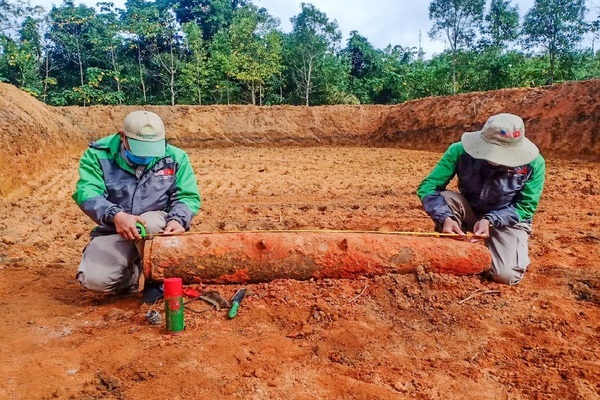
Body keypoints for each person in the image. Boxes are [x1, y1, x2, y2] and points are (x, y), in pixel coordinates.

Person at [72, 110, 201, 297]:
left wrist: (178, 220)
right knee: (96, 280)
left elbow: (188, 197)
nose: (146, 155)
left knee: (151, 222)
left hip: (156, 229)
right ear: (123, 137)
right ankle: (131, 274)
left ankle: (156, 280)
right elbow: (87, 193)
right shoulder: (97, 155)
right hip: (115, 229)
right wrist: (115, 215)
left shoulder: (175, 157)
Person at [417, 113, 545, 285]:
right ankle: (453, 243)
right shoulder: (459, 151)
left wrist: (491, 220)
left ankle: (506, 250)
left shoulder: (534, 164)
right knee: (446, 198)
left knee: (506, 275)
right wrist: (445, 217)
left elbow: (525, 207)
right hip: (470, 209)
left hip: (507, 220)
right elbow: (428, 187)